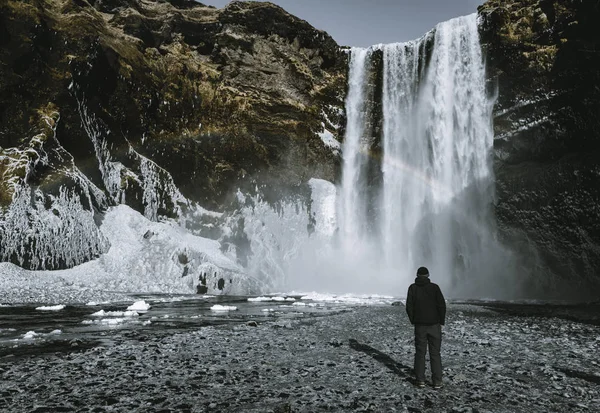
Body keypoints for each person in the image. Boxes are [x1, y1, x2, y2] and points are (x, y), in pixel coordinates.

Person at [405, 266, 446, 389]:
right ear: (428, 275)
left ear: (417, 275)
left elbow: (409, 306)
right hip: (434, 325)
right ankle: (437, 381)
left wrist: (414, 320)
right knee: (435, 353)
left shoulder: (413, 288)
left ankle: (420, 380)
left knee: (420, 353)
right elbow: (442, 305)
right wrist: (441, 321)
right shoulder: (434, 287)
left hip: (420, 325)